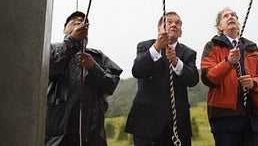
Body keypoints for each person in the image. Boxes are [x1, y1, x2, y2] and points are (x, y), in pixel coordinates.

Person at [45, 11, 123, 146]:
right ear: (65, 29)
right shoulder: (50, 50)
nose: (79, 20)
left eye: (82, 21)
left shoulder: (98, 57)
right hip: (57, 132)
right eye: (74, 21)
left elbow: (111, 85)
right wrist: (72, 41)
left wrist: (94, 67)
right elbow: (49, 70)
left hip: (91, 132)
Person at [125, 12, 199, 146]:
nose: (174, 25)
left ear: (181, 31)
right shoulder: (145, 46)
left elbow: (193, 80)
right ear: (159, 29)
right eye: (169, 22)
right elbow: (137, 71)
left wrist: (177, 62)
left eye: (178, 23)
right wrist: (157, 47)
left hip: (177, 124)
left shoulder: (188, 53)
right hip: (146, 123)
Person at [201, 8, 258, 146]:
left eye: (233, 15)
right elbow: (208, 78)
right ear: (220, 26)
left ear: (238, 24)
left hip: (253, 117)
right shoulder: (212, 46)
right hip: (224, 119)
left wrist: (254, 83)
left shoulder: (251, 47)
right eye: (226, 16)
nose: (231, 17)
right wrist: (228, 62)